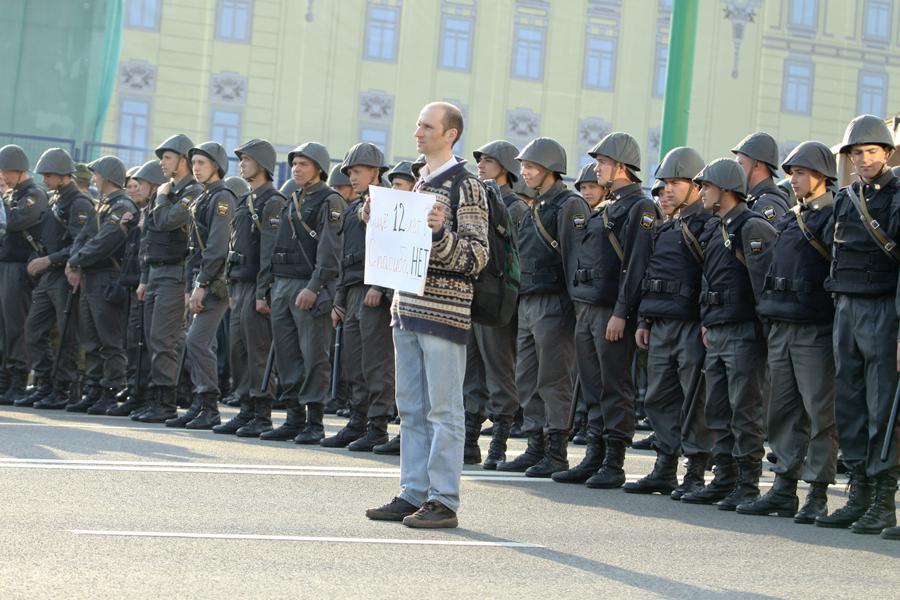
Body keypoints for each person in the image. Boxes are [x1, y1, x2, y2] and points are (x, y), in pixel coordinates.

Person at [366, 101, 489, 528]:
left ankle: (443, 499)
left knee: (444, 410)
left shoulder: (467, 187)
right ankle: (413, 490)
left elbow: (476, 256)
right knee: (412, 408)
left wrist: (440, 233)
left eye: (427, 126)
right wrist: (378, 216)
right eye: (418, 124)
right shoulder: (417, 183)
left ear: (450, 134)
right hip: (407, 309)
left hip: (443, 312)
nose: (417, 132)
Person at [736, 141, 838, 521]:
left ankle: (817, 492)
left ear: (822, 176)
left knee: (819, 412)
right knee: (781, 411)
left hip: (814, 328)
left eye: (801, 173)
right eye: (792, 173)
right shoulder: (790, 216)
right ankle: (783, 487)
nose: (793, 180)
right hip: (782, 326)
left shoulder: (831, 215)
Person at [552, 132, 657, 487]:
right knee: (593, 385)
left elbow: (635, 264)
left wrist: (622, 312)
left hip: (611, 311)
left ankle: (613, 460)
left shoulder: (640, 207)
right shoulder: (607, 206)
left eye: (603, 163)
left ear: (622, 167)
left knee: (614, 385)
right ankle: (594, 455)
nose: (596, 168)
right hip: (588, 308)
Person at [816, 115, 900, 536]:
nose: (864, 159)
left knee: (881, 407)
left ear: (886, 153)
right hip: (846, 307)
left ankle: (884, 503)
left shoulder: (898, 194)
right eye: (856, 153)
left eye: (871, 151)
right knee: (849, 403)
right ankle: (859, 494)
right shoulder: (848, 198)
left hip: (883, 309)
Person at [680, 158, 776, 510]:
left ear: (725, 189)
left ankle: (748, 482)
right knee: (717, 407)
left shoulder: (752, 227)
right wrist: (708, 320)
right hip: (718, 330)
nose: (701, 192)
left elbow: (762, 289)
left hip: (744, 333)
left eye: (706, 186)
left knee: (745, 409)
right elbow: (711, 280)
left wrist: (764, 337)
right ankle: (724, 477)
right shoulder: (716, 227)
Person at [496, 138, 590, 476]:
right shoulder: (536, 205)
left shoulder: (569, 205)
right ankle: (535, 444)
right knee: (527, 378)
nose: (525, 171)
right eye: (523, 166)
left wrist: (574, 308)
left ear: (550, 168)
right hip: (529, 301)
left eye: (531, 166)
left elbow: (574, 260)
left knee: (554, 379)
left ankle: (556, 451)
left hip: (555, 303)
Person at [626, 146, 713, 498]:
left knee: (694, 399)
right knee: (659, 397)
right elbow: (651, 273)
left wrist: (708, 321)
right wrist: (645, 319)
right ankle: (665, 466)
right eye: (664, 184)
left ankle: (694, 469)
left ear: (695, 186)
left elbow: (714, 277)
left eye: (676, 183)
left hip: (691, 324)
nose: (667, 190)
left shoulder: (706, 224)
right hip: (661, 323)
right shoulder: (666, 226)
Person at [262, 142, 345, 444]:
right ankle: (294, 418)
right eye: (295, 164)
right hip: (283, 284)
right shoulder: (292, 198)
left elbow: (329, 249)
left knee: (313, 356)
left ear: (319, 169)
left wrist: (314, 287)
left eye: (304, 164)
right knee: (287, 355)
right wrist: (269, 286)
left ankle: (315, 421)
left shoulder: (329, 200)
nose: (297, 169)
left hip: (309, 286)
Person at [463, 139, 528, 468]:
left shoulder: (515, 207)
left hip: (498, 298)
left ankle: (499, 442)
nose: (481, 165)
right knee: (471, 370)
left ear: (505, 167)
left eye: (489, 160)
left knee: (499, 370)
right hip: (474, 295)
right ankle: (470, 438)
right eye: (480, 160)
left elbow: (517, 259)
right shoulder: (480, 201)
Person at [326, 142, 395, 451]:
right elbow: (344, 255)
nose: (352, 178)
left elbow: (391, 249)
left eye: (358, 171)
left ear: (375, 172)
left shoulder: (390, 203)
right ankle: (357, 421)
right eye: (350, 172)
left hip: (372, 293)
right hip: (353, 290)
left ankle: (377, 426)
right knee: (354, 362)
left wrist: (379, 286)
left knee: (375, 362)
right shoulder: (355, 206)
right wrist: (339, 298)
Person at [214, 139, 286, 437]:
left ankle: (261, 412)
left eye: (247, 159)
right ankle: (245, 408)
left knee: (258, 351)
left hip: (256, 286)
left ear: (262, 164)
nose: (242, 164)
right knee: (238, 350)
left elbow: (269, 251)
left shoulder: (273, 202)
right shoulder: (246, 200)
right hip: (239, 284)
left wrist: (262, 292)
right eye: (241, 159)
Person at [163, 142, 234, 429]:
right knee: (202, 343)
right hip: (201, 280)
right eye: (194, 163)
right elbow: (195, 249)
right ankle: (200, 403)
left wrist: (202, 284)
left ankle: (209, 406)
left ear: (216, 166)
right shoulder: (204, 197)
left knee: (197, 340)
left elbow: (216, 248)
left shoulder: (222, 198)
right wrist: (190, 286)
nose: (196, 168)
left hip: (215, 283)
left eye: (203, 163)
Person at [135, 134, 204, 423]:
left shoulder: (192, 191)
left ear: (183, 161)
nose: (162, 162)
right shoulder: (168, 190)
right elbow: (149, 234)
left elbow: (166, 220)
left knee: (165, 339)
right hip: (156, 271)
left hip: (177, 272)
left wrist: (162, 195)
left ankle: (165, 401)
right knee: (153, 338)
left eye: (167, 157)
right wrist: (144, 277)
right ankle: (154, 397)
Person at [65, 156, 137, 414]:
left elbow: (106, 240)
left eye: (97, 174)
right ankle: (93, 389)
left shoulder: (121, 206)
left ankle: (110, 390)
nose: (93, 178)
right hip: (91, 276)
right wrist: (75, 259)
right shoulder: (103, 205)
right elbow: (83, 236)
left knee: (110, 340)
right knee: (91, 339)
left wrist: (76, 260)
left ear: (107, 176)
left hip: (108, 276)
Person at [26, 148, 94, 410]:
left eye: (49, 175)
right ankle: (44, 383)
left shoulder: (79, 202)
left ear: (64, 176)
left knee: (67, 334)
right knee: (34, 330)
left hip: (65, 275)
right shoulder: (56, 199)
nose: (45, 180)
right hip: (49, 276)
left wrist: (50, 261)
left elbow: (80, 242)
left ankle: (63, 387)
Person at [108, 160, 166, 416]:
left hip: (147, 282)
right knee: (134, 340)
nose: (135, 188)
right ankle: (136, 390)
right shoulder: (140, 213)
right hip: (135, 282)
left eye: (140, 184)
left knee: (144, 341)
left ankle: (145, 393)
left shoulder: (154, 211)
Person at [0, 145, 48, 405]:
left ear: (17, 170)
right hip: (6, 264)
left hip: (19, 268)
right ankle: (5, 379)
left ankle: (18, 380)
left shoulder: (33, 194)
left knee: (17, 325)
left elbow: (15, 221)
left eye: (5, 171)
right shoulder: (12, 195)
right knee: (4, 327)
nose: (2, 176)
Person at [731, 132, 790, 221]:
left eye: (740, 164)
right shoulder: (753, 199)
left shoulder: (767, 204)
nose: (736, 170)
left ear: (757, 165)